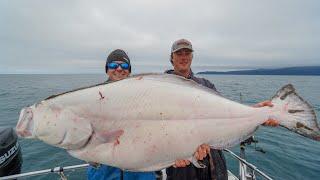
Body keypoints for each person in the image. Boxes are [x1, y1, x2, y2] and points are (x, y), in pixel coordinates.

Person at [164, 39, 278, 180]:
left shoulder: (206, 85)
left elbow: (226, 115)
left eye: (187, 53)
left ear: (192, 57)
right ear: (171, 57)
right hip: (181, 168)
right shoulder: (162, 89)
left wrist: (256, 112)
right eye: (179, 53)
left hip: (215, 168)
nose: (183, 57)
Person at [87, 49, 156, 180]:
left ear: (129, 70)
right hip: (103, 172)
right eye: (113, 65)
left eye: (124, 66)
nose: (119, 69)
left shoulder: (143, 97)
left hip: (141, 171)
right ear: (107, 69)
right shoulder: (93, 97)